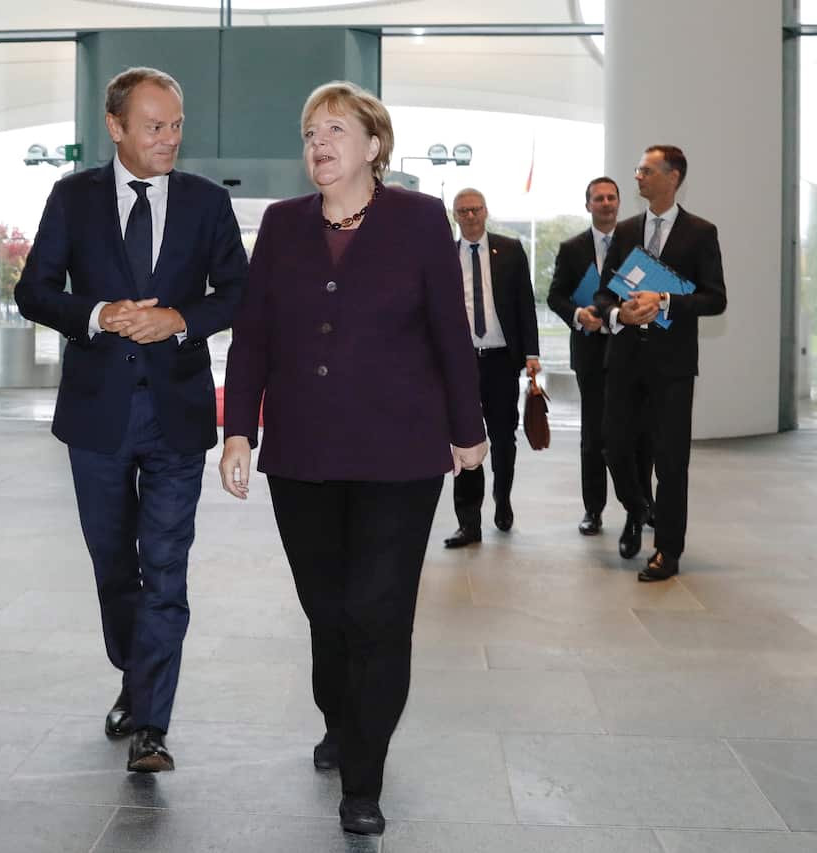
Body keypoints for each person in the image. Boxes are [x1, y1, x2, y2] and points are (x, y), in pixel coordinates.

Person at [219, 81, 486, 836]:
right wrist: (239, 429)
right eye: (309, 133)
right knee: (327, 610)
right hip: (302, 454)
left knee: (379, 611)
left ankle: (363, 776)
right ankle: (341, 716)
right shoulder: (280, 224)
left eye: (335, 129)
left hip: (399, 453)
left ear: (374, 145)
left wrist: (468, 429)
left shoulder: (420, 220)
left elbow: (448, 330)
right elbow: (254, 335)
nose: (319, 144)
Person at [14, 67, 247, 774]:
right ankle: (133, 671)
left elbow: (239, 289)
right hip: (96, 418)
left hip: (177, 416)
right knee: (116, 567)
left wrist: (181, 318)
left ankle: (151, 722)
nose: (169, 138)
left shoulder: (207, 203)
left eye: (176, 124)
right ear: (115, 127)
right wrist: (94, 314)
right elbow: (33, 290)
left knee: (166, 572)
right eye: (154, 125)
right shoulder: (71, 197)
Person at [596, 145, 727, 581]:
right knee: (614, 447)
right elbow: (603, 293)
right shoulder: (628, 230)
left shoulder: (700, 232)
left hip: (672, 369)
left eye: (646, 170)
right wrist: (618, 314)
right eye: (637, 170)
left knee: (671, 462)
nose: (637, 177)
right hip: (625, 361)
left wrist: (666, 299)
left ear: (673, 177)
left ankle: (667, 551)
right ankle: (639, 508)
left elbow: (715, 299)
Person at [547, 177, 654, 536]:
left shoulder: (638, 247)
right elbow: (557, 296)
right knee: (594, 436)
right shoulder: (571, 247)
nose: (606, 203)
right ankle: (593, 509)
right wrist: (579, 316)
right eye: (598, 198)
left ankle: (643, 506)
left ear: (619, 203)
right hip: (592, 353)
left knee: (639, 434)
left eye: (611, 197)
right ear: (588, 204)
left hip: (634, 352)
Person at [443, 188, 540, 548]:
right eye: (463, 211)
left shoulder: (510, 250)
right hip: (461, 363)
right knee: (465, 439)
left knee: (503, 438)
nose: (470, 216)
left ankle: (502, 499)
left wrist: (531, 353)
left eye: (475, 209)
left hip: (501, 360)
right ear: (455, 216)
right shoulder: (445, 255)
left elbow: (525, 305)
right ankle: (468, 522)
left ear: (486, 211)